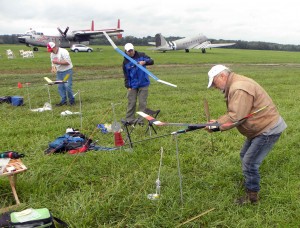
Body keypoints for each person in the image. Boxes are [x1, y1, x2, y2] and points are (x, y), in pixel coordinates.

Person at [205, 64, 287, 204]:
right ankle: (249, 182)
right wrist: (218, 122)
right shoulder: (236, 83)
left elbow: (236, 116)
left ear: (222, 76)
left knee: (249, 162)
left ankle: (252, 196)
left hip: (267, 129)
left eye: (214, 82)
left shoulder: (239, 88)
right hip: (259, 127)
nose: (214, 86)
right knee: (244, 155)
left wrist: (216, 125)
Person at [122, 43, 154, 125]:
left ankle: (140, 120)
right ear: (125, 51)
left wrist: (145, 62)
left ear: (133, 49)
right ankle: (130, 119)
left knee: (142, 102)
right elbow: (126, 75)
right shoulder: (125, 61)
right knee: (131, 102)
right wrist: (128, 86)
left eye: (131, 50)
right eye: (128, 51)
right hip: (132, 85)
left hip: (143, 83)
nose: (130, 52)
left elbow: (151, 61)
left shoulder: (141, 55)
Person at [47, 42, 75, 106]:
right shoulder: (52, 54)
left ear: (54, 47)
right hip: (59, 72)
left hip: (67, 71)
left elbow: (68, 62)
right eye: (50, 50)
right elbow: (53, 63)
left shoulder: (63, 51)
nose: (51, 51)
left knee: (67, 86)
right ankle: (63, 101)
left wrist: (57, 62)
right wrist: (53, 68)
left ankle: (72, 101)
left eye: (51, 50)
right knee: (60, 87)